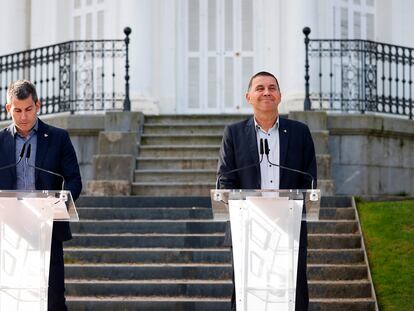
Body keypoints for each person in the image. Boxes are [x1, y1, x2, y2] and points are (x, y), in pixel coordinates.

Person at [217, 71, 317, 310]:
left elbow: (310, 179)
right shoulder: (233, 133)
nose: (266, 92)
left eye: (272, 88)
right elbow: (225, 180)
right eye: (260, 88)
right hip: (248, 229)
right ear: (248, 96)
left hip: (289, 227)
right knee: (247, 298)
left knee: (294, 295)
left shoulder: (300, 132)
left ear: (280, 96)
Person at [0, 80, 82, 311]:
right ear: (8, 109)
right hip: (9, 234)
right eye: (17, 110)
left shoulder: (59, 138)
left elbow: (75, 180)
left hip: (48, 229)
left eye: (28, 109)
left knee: (53, 301)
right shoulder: (0, 141)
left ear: (38, 105)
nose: (23, 116)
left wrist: (56, 206)